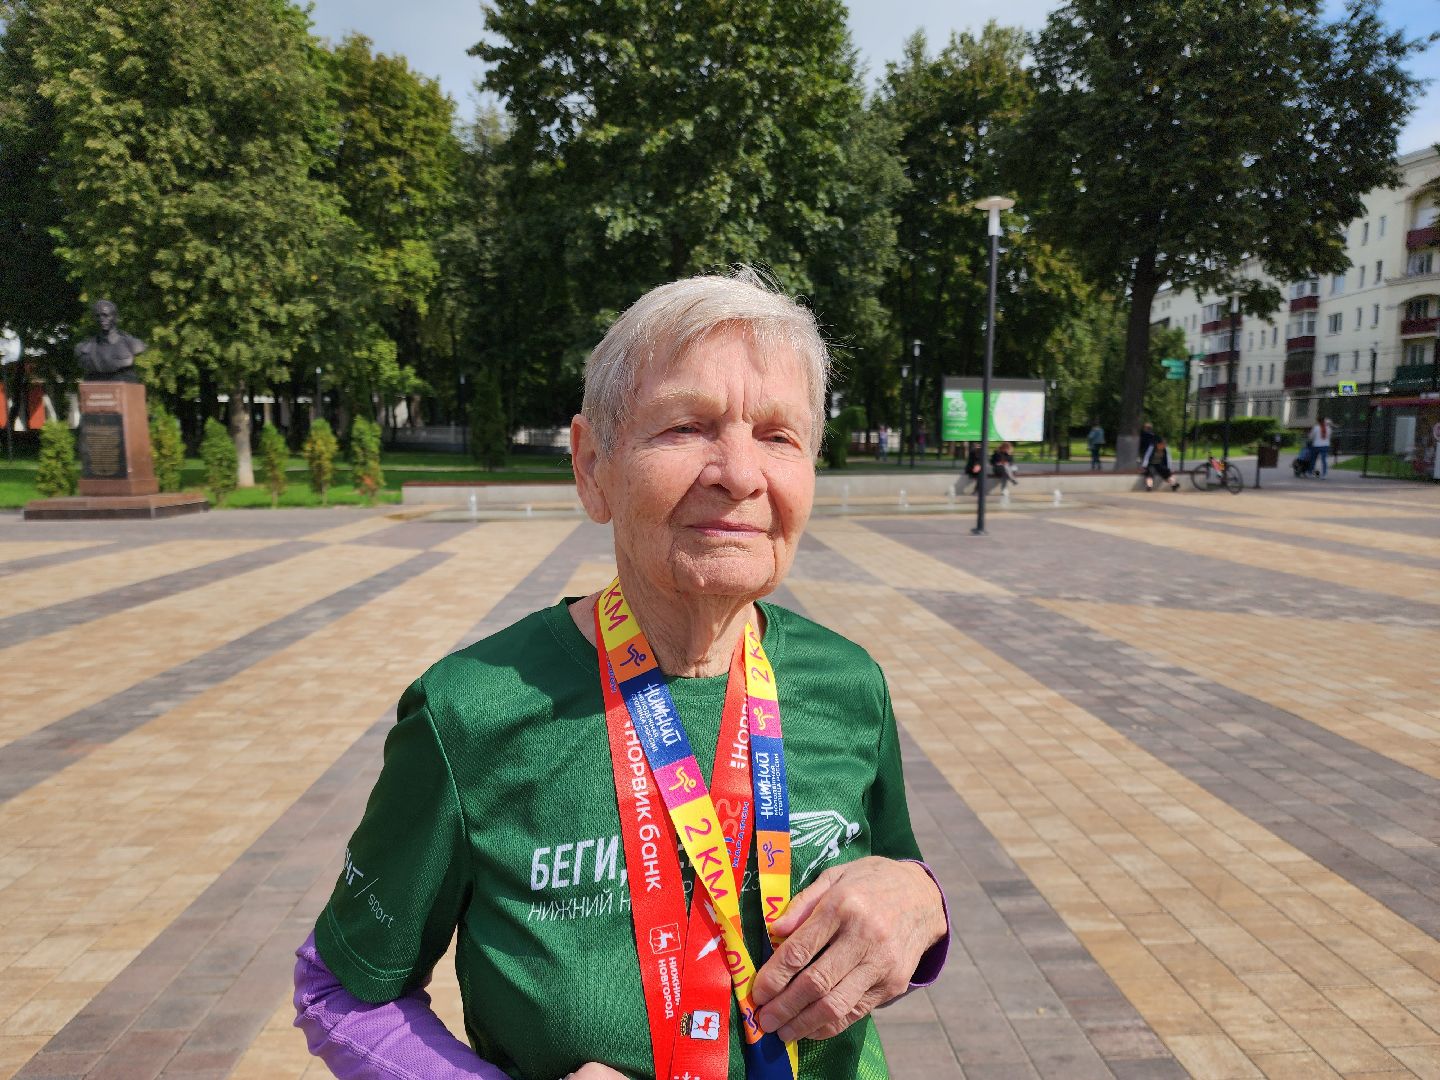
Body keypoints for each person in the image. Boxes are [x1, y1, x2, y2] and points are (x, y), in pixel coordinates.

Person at [293, 271, 949, 1080]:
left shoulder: (849, 681)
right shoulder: (468, 711)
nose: (741, 474)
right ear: (592, 465)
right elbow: (340, 990)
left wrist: (923, 903)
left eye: (779, 436)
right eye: (686, 427)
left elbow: (896, 873)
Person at [74, 299, 146, 383]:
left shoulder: (133, 345)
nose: (101, 319)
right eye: (98, 316)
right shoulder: (84, 348)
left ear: (115, 317)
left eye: (105, 315)